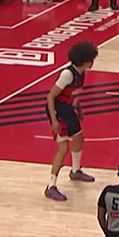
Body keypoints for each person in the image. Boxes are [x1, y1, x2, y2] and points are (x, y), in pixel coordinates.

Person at [45, 41, 99, 201]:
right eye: (91, 59)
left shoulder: (81, 72)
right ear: (85, 60)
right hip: (58, 111)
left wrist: (79, 108)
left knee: (79, 138)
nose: (93, 62)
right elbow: (51, 96)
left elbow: (73, 93)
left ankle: (75, 171)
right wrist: (54, 120)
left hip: (68, 108)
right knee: (63, 149)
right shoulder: (67, 74)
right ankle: (50, 186)